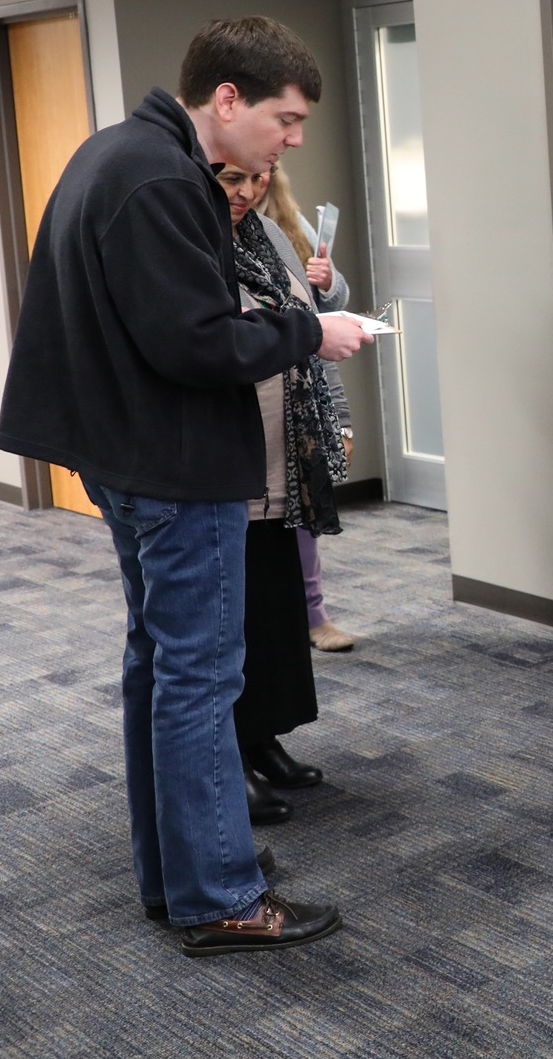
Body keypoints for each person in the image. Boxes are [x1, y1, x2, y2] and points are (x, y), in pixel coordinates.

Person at [0, 16, 369, 956]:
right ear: (228, 99)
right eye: (284, 119)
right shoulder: (162, 178)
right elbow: (197, 343)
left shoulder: (115, 153)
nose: (292, 141)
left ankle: (181, 871)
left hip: (125, 456)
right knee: (199, 677)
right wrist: (310, 333)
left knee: (159, 669)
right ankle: (219, 896)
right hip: (175, 464)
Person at [222, 163, 349, 825]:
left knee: (273, 612)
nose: (246, 192)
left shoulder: (268, 230)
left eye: (258, 179)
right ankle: (231, 754)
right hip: (227, 463)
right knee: (231, 619)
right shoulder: (195, 235)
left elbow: (302, 309)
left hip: (280, 456)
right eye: (232, 178)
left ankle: (264, 737)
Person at [257, 166, 360, 653]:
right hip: (253, 392)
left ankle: (314, 615)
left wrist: (329, 279)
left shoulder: (287, 225)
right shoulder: (206, 228)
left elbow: (328, 310)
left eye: (262, 174)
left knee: (301, 512)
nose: (251, 186)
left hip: (301, 384)